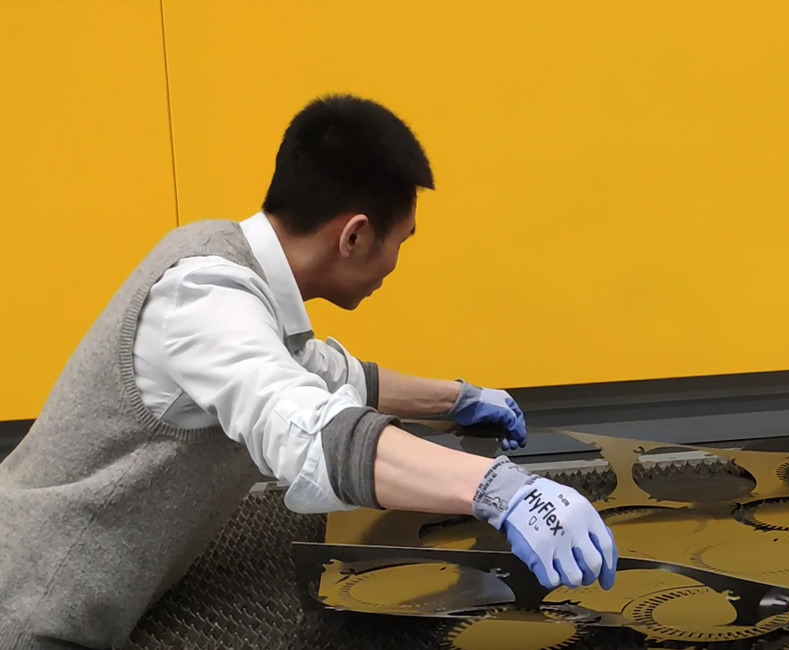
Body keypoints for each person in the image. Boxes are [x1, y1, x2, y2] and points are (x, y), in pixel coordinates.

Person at [0, 94, 617, 650]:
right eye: (402, 241)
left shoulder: (226, 259)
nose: (396, 263)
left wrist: (457, 400)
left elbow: (325, 374)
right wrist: (502, 490)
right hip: (31, 610)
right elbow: (310, 432)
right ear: (354, 236)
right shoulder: (203, 297)